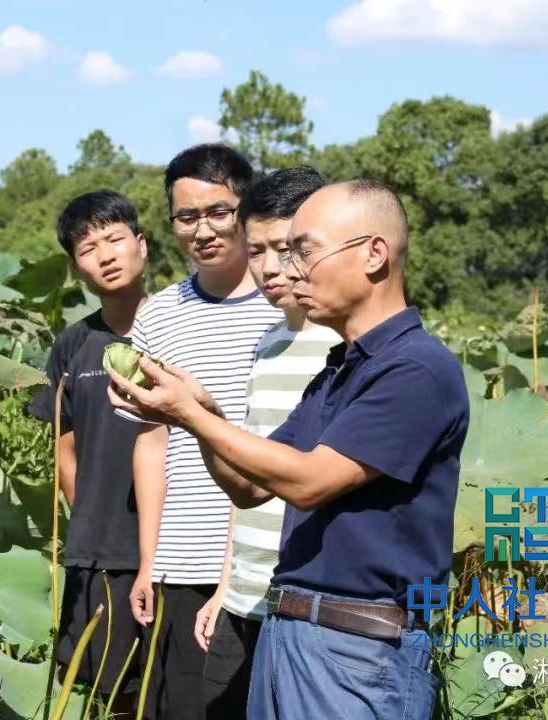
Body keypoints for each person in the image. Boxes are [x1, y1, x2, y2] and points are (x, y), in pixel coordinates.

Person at [108, 179, 469, 720]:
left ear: (375, 253)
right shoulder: (337, 371)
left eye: (305, 251)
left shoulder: (414, 369)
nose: (289, 269)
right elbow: (250, 487)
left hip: (356, 650)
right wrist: (203, 416)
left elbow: (309, 482)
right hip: (292, 633)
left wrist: (189, 416)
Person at [123, 144, 281, 719]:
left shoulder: (285, 308)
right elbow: (151, 438)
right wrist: (149, 561)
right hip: (177, 561)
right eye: (187, 217)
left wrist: (229, 578)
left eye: (219, 211)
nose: (203, 229)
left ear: (247, 209)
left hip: (261, 562)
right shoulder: (159, 314)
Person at [194, 167, 340, 720]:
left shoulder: (343, 345)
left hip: (307, 604)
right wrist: (223, 586)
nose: (270, 268)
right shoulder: (268, 342)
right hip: (242, 594)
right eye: (256, 251)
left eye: (285, 248)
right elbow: (248, 473)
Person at [28, 190, 149, 711]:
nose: (105, 254)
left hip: (185, 546)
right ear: (76, 269)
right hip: (100, 548)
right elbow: (64, 445)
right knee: (110, 689)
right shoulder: (73, 345)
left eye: (115, 239)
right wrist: (89, 514)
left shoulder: (179, 328)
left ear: (141, 245)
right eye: (87, 248)